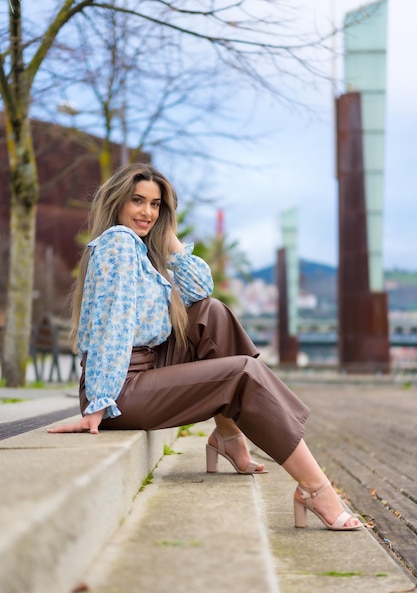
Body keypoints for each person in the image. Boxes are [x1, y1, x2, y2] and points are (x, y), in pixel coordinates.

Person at [48, 163, 362, 531]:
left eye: (156, 205)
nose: (147, 212)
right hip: (120, 389)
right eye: (137, 201)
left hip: (146, 366)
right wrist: (100, 402)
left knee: (210, 314)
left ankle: (229, 434)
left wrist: (170, 242)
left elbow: (200, 292)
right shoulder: (118, 244)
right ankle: (314, 487)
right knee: (243, 374)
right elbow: (112, 326)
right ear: (118, 202)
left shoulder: (141, 249)